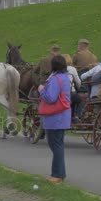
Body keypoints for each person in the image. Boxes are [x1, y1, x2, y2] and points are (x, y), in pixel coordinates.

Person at [38, 55, 71, 184]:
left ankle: (57, 174)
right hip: (63, 117)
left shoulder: (54, 79)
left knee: (55, 145)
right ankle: (59, 173)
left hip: (54, 118)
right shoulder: (65, 78)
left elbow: (50, 98)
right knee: (58, 145)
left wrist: (41, 90)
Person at [62, 54, 82, 119]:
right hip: (71, 91)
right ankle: (76, 116)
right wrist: (78, 87)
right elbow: (78, 82)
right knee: (78, 100)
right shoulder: (72, 69)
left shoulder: (57, 70)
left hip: (61, 93)